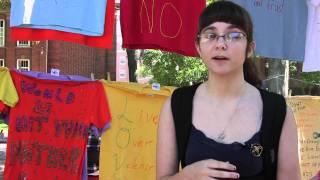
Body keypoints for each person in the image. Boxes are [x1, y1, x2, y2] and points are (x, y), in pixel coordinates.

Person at [156, 1, 301, 180]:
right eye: (211, 35)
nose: (221, 44)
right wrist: (186, 176)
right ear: (198, 47)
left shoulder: (278, 110)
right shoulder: (177, 105)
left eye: (234, 35)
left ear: (250, 48)